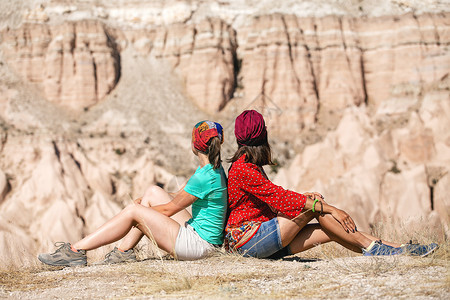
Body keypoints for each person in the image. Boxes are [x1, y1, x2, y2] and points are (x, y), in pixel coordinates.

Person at [224, 110, 438, 259]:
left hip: (258, 240)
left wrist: (309, 199)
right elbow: (280, 196)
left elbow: (272, 200)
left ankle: (399, 249)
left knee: (332, 230)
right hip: (247, 241)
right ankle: (373, 247)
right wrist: (332, 209)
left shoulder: (248, 165)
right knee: (317, 208)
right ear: (263, 134)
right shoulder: (243, 168)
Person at [39, 121, 228, 266]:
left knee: (132, 211)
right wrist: (147, 202)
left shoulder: (204, 176)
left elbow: (168, 210)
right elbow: (181, 196)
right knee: (153, 192)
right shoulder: (213, 169)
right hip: (202, 238)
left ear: (195, 144)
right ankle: (123, 252)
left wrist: (140, 210)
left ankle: (75, 250)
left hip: (199, 246)